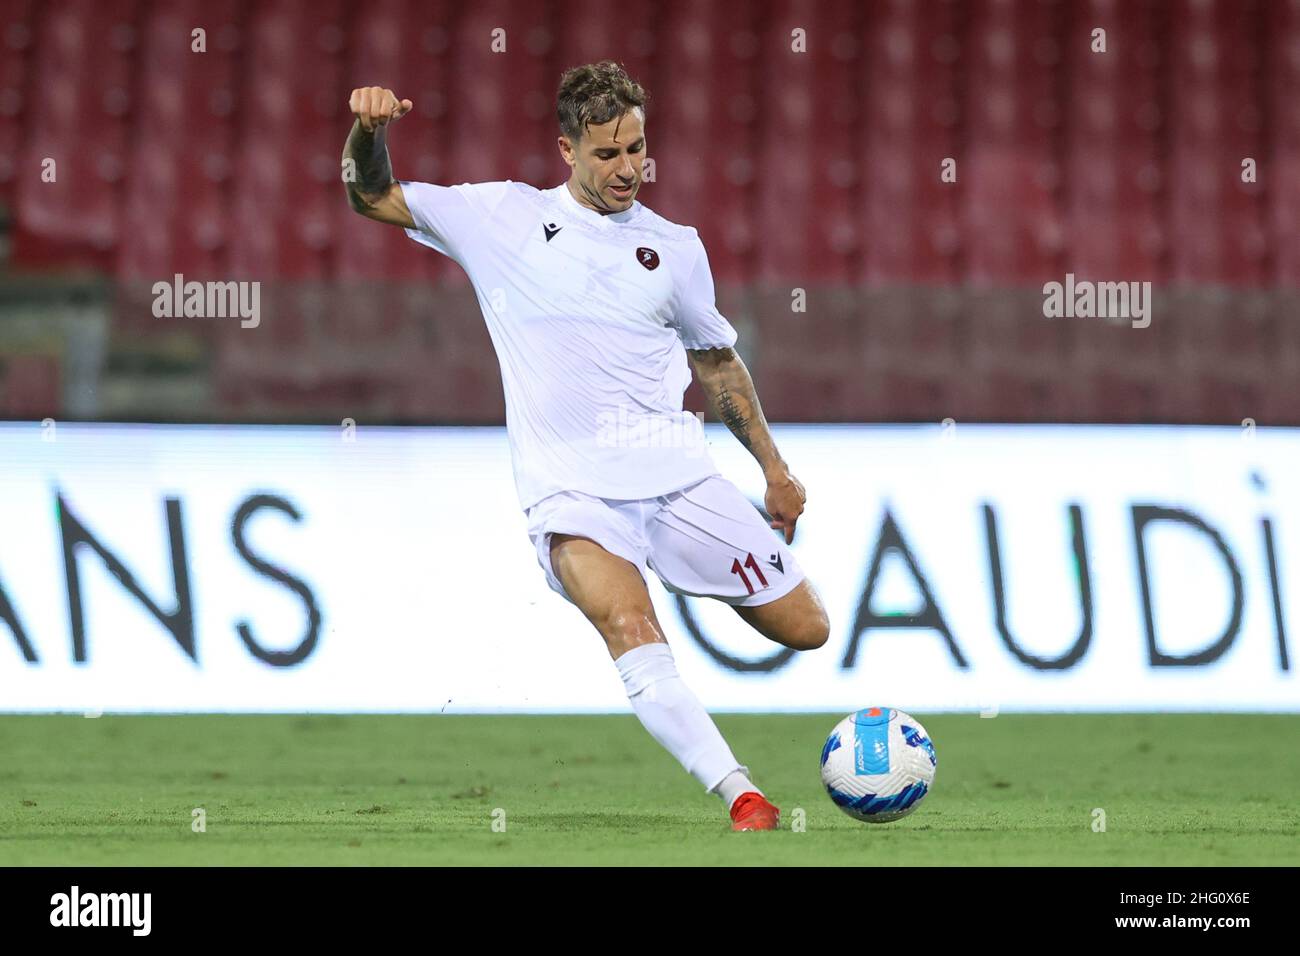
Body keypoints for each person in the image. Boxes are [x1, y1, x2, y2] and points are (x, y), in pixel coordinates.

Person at [342, 60, 829, 830]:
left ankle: (677, 568)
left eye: (638, 149)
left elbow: (716, 362)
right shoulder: (499, 216)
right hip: (573, 491)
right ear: (565, 150)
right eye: (608, 154)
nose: (629, 169)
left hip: (676, 481)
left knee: (808, 627)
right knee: (629, 626)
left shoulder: (676, 248)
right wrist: (367, 132)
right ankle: (742, 793)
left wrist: (774, 470)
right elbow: (370, 195)